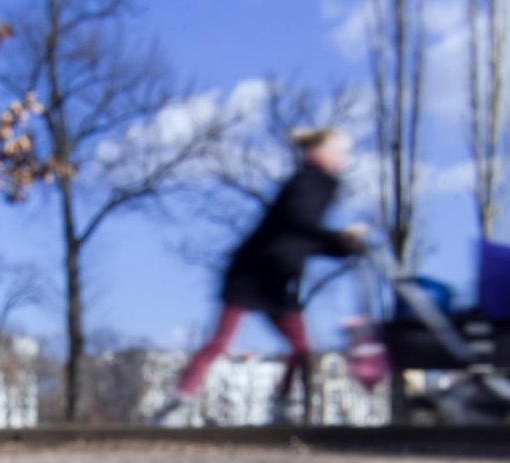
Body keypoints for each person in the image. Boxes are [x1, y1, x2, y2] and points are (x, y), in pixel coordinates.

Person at [154, 128, 367, 425]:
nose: (344, 158)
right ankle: (178, 401)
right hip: (251, 272)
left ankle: (279, 406)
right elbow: (299, 224)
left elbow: (303, 236)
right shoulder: (310, 181)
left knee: (302, 348)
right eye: (339, 150)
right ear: (318, 151)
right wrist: (340, 239)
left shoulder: (320, 183)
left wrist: (342, 246)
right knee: (221, 341)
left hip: (276, 278)